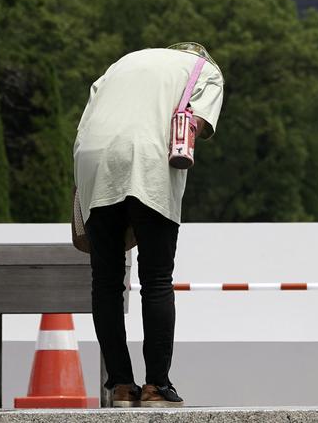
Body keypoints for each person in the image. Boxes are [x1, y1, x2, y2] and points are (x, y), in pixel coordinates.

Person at [74, 43, 225, 408]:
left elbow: (87, 121)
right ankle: (157, 385)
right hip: (148, 158)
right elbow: (196, 126)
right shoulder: (205, 70)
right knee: (156, 279)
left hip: (92, 159)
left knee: (106, 282)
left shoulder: (121, 62)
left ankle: (121, 387)